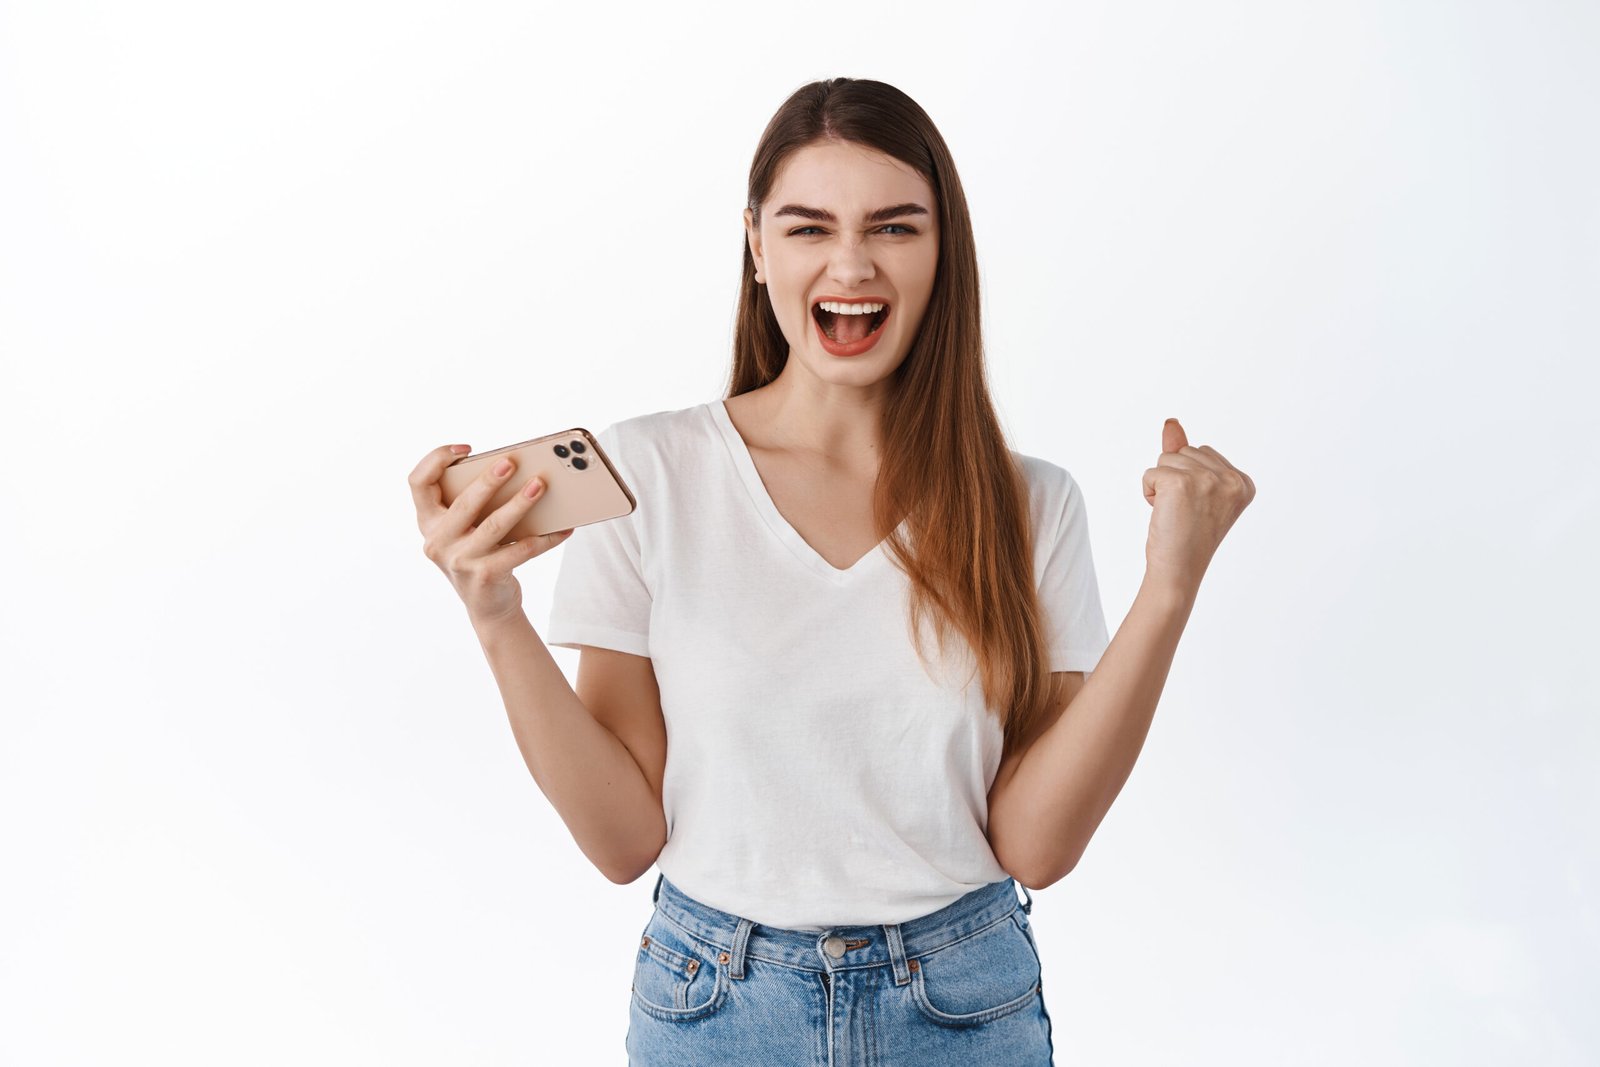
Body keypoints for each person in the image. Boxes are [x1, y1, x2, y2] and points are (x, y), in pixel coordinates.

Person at [408, 76, 1254, 1066]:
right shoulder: (648, 476)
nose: (851, 263)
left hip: (962, 1003)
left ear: (944, 252)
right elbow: (622, 838)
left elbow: (1037, 845)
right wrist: (495, 611)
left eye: (895, 228)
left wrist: (1168, 589)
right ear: (757, 246)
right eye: (809, 228)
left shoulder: (1029, 504)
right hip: (713, 1003)